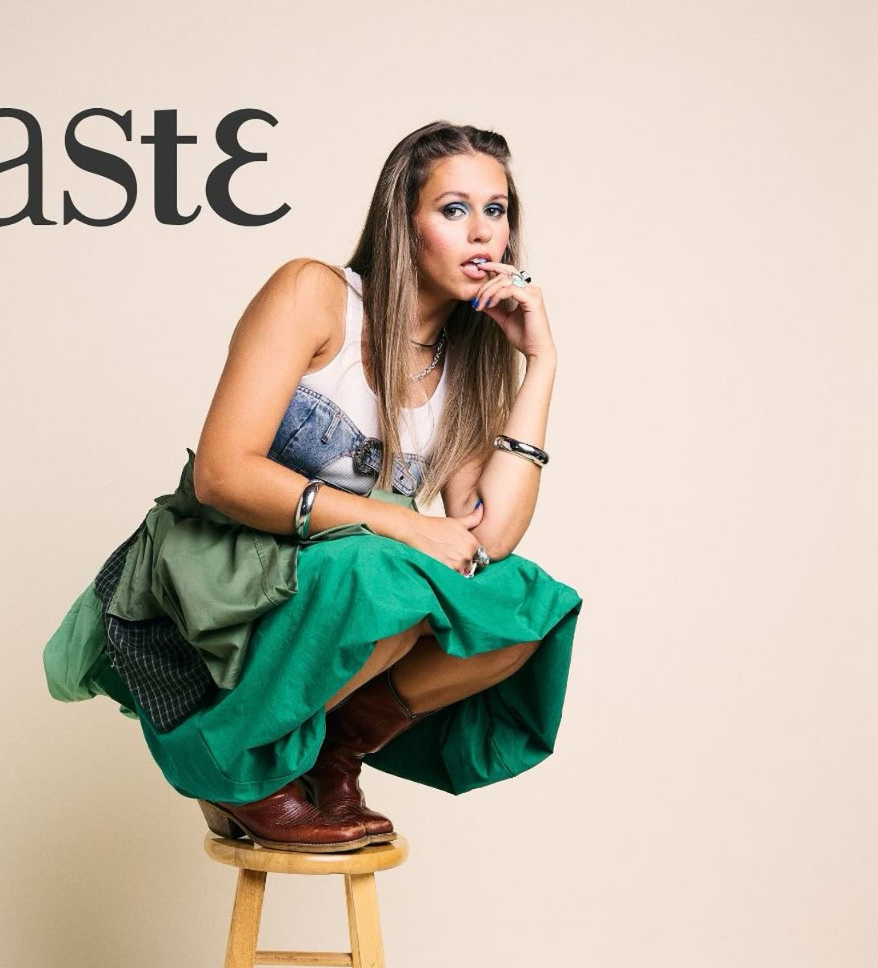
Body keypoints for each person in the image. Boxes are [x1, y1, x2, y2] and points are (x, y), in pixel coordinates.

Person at [43, 120, 583, 852]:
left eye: (497, 210)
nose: (483, 233)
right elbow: (223, 473)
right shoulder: (317, 294)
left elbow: (487, 539)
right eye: (454, 209)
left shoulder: (466, 357)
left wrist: (541, 363)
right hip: (225, 562)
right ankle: (233, 761)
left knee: (524, 603)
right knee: (387, 571)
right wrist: (397, 523)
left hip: (342, 580)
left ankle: (335, 751)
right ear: (404, 222)